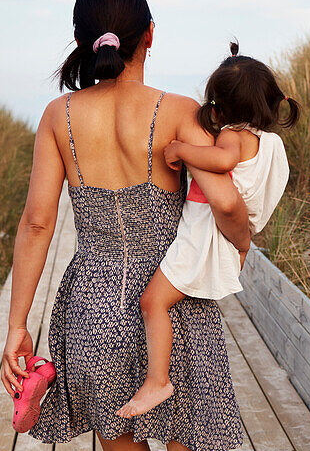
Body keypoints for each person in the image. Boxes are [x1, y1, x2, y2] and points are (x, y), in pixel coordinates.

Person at [0, 0, 245, 451]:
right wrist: (241, 243)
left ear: (84, 42)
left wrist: (17, 325)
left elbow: (38, 223)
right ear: (149, 37)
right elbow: (227, 200)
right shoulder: (180, 111)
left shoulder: (57, 117)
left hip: (92, 311)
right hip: (175, 301)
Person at [115, 42, 297, 418]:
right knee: (164, 301)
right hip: (226, 236)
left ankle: (157, 380)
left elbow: (222, 159)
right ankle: (159, 379)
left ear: (220, 107)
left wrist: (181, 149)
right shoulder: (268, 143)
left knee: (152, 302)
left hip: (203, 233)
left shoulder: (234, 135)